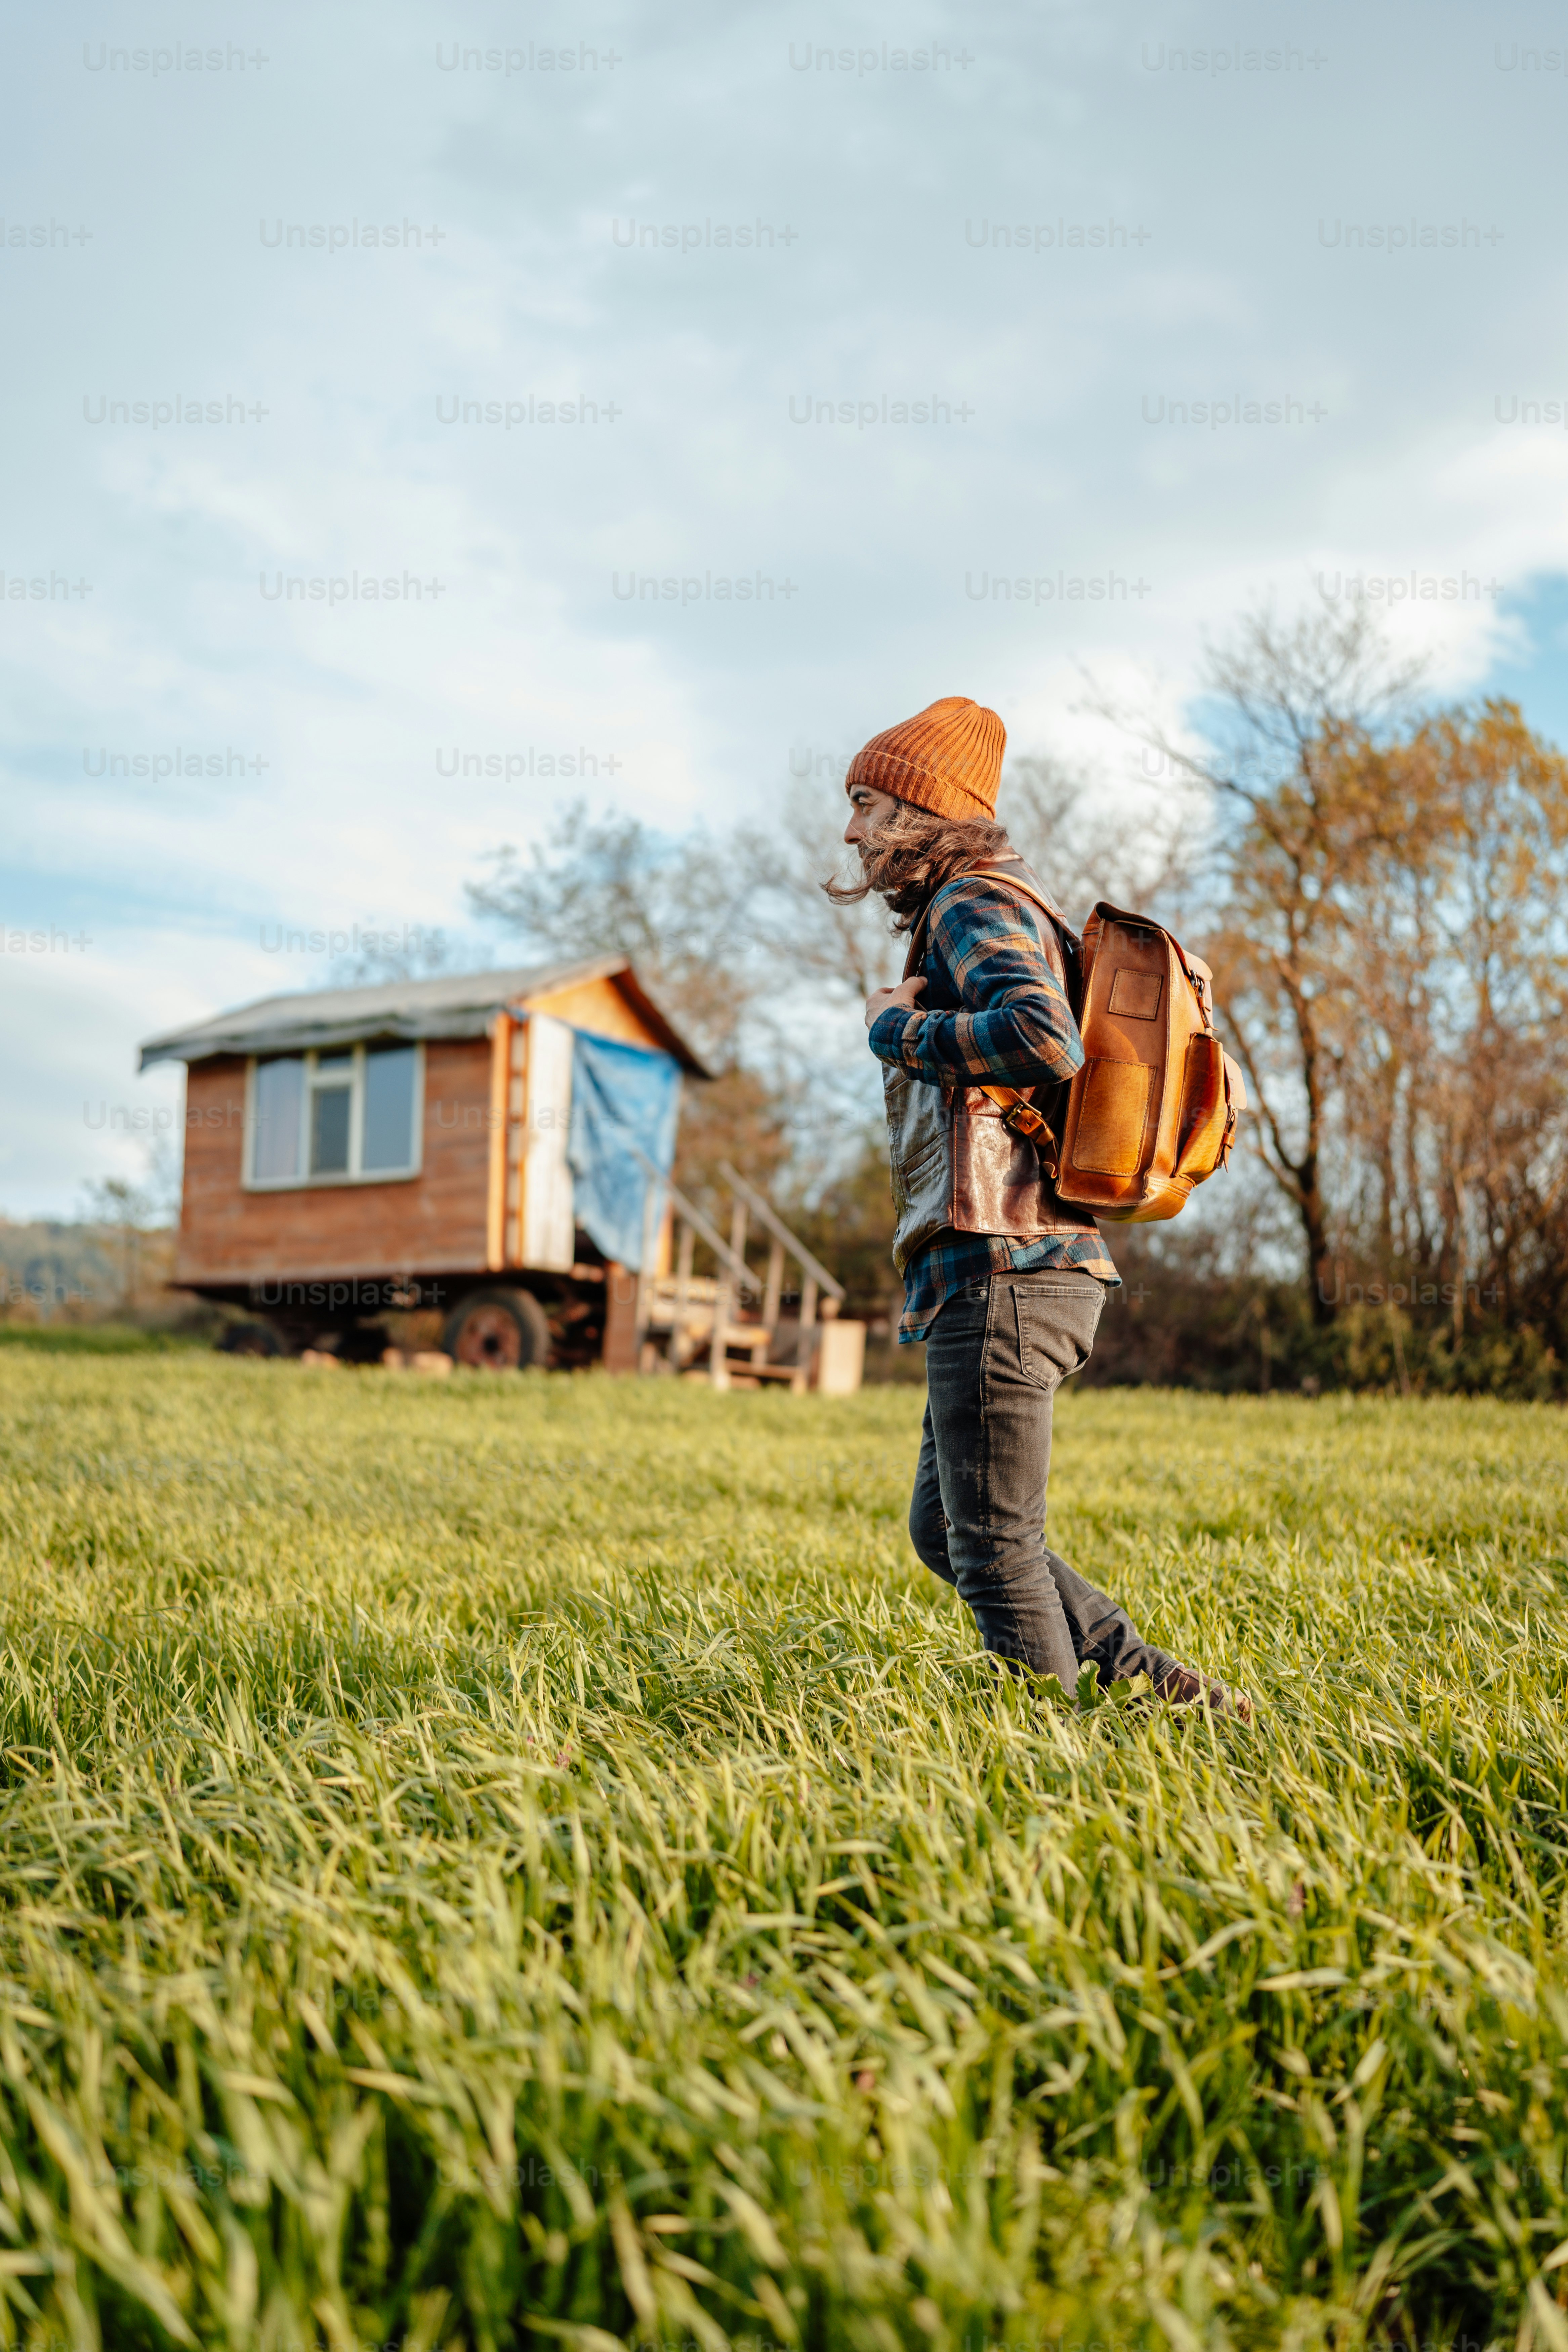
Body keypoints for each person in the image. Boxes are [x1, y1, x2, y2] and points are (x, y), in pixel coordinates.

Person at [831, 693, 1250, 1720]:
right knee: (952, 1532)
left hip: (1005, 1269)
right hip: (1008, 1271)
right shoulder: (979, 907)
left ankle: (1046, 1773)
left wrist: (894, 1032)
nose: (850, 830)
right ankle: (1169, 1694)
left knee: (990, 1543)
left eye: (867, 805)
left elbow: (1042, 1038)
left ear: (924, 817)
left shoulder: (974, 902)